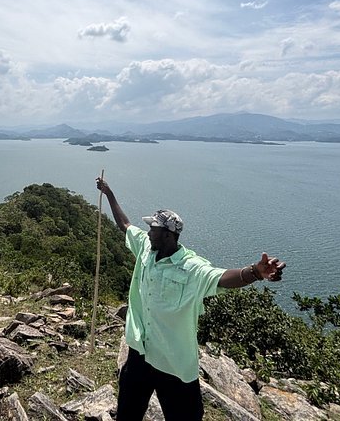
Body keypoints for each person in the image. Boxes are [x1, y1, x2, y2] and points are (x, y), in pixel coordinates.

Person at [96, 177, 286, 421]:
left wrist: (255, 272)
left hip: (174, 362)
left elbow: (220, 277)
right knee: (127, 414)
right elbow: (125, 225)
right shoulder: (146, 247)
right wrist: (109, 193)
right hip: (139, 351)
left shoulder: (191, 268)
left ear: (167, 235)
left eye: (153, 228)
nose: (148, 232)